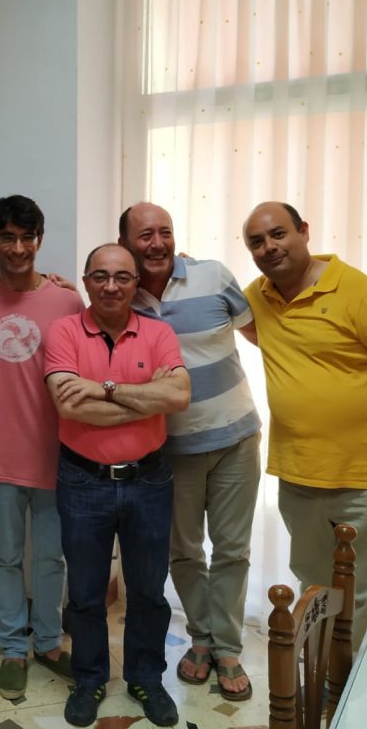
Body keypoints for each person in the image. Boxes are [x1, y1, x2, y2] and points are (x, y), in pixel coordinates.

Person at [241, 201, 367, 647]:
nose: (269, 247)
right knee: (315, 590)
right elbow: (241, 323)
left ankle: (359, 685)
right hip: (299, 474)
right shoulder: (257, 296)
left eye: (279, 234)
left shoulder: (357, 291)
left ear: (304, 231)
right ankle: (324, 678)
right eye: (257, 242)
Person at [118, 202, 262, 700]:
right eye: (145, 235)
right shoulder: (122, 294)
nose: (157, 243)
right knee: (184, 551)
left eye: (165, 232)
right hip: (170, 449)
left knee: (232, 550)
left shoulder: (213, 276)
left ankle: (227, 648)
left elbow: (261, 334)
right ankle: (201, 639)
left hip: (235, 439)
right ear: (126, 244)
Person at [44, 243, 190, 727]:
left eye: (123, 277)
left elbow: (179, 395)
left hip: (149, 479)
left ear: (136, 283)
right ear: (86, 281)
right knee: (86, 592)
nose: (111, 286)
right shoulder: (64, 332)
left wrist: (103, 388)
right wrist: (147, 399)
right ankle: (89, 679)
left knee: (148, 590)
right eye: (101, 277)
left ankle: (146, 678)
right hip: (82, 479)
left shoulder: (158, 332)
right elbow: (68, 406)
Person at [0, 194, 83, 700]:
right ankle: (12, 647)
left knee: (52, 558)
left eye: (27, 237)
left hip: (57, 451)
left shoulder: (67, 301)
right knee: (6, 556)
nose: (17, 248)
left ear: (40, 240)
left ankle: (48, 642)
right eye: (7, 237)